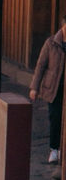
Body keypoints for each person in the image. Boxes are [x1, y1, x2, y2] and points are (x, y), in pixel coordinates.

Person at [30, 15, 66, 165]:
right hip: (54, 89)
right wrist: (34, 87)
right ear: (63, 25)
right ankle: (54, 149)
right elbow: (40, 66)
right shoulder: (51, 43)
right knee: (55, 118)